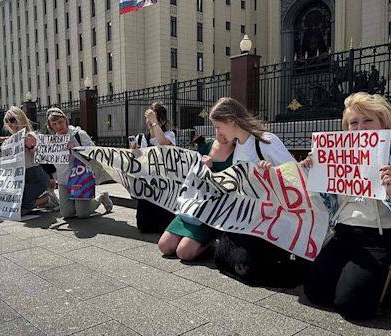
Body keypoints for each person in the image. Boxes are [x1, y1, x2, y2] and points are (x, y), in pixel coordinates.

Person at [302, 92, 391, 319]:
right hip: (344, 234)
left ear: (384, 123)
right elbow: (325, 200)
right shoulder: (338, 155)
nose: (360, 128)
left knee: (352, 306)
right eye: (353, 123)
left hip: (380, 239)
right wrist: (313, 170)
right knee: (315, 292)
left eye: (368, 120)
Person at [209, 97, 309, 287]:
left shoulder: (265, 141)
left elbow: (296, 175)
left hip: (273, 219)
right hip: (250, 218)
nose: (218, 132)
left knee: (244, 266)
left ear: (231, 120)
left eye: (218, 126)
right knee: (221, 257)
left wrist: (271, 173)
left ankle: (296, 270)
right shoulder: (237, 146)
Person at [158, 130, 234, 261]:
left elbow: (232, 187)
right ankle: (194, 240)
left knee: (184, 253)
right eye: (218, 128)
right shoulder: (206, 145)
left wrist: (211, 171)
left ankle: (210, 241)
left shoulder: (239, 153)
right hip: (192, 207)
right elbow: (190, 174)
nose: (222, 134)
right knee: (164, 246)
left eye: (225, 128)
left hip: (211, 213)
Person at [46, 107, 112, 219]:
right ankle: (76, 203)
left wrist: (75, 148)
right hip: (63, 180)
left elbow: (93, 151)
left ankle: (101, 197)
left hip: (80, 177)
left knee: (82, 214)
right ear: (51, 126)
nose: (58, 126)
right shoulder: (52, 141)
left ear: (66, 120)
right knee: (67, 214)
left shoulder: (78, 134)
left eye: (60, 122)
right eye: (54, 124)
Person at [130, 102, 176, 233]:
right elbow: (136, 160)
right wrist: (134, 151)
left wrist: (154, 122)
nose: (149, 121)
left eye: (154, 117)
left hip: (163, 184)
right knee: (143, 226)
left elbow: (162, 144)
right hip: (147, 185)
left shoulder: (169, 135)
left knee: (164, 225)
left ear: (162, 119)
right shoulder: (141, 138)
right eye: (148, 118)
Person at [3, 106, 49, 215]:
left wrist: (30, 147)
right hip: (19, 177)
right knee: (13, 206)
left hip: (35, 175)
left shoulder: (30, 135)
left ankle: (46, 199)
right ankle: (40, 200)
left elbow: (41, 158)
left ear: (19, 118)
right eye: (7, 121)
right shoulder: (10, 140)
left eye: (12, 120)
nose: (9, 123)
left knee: (19, 211)